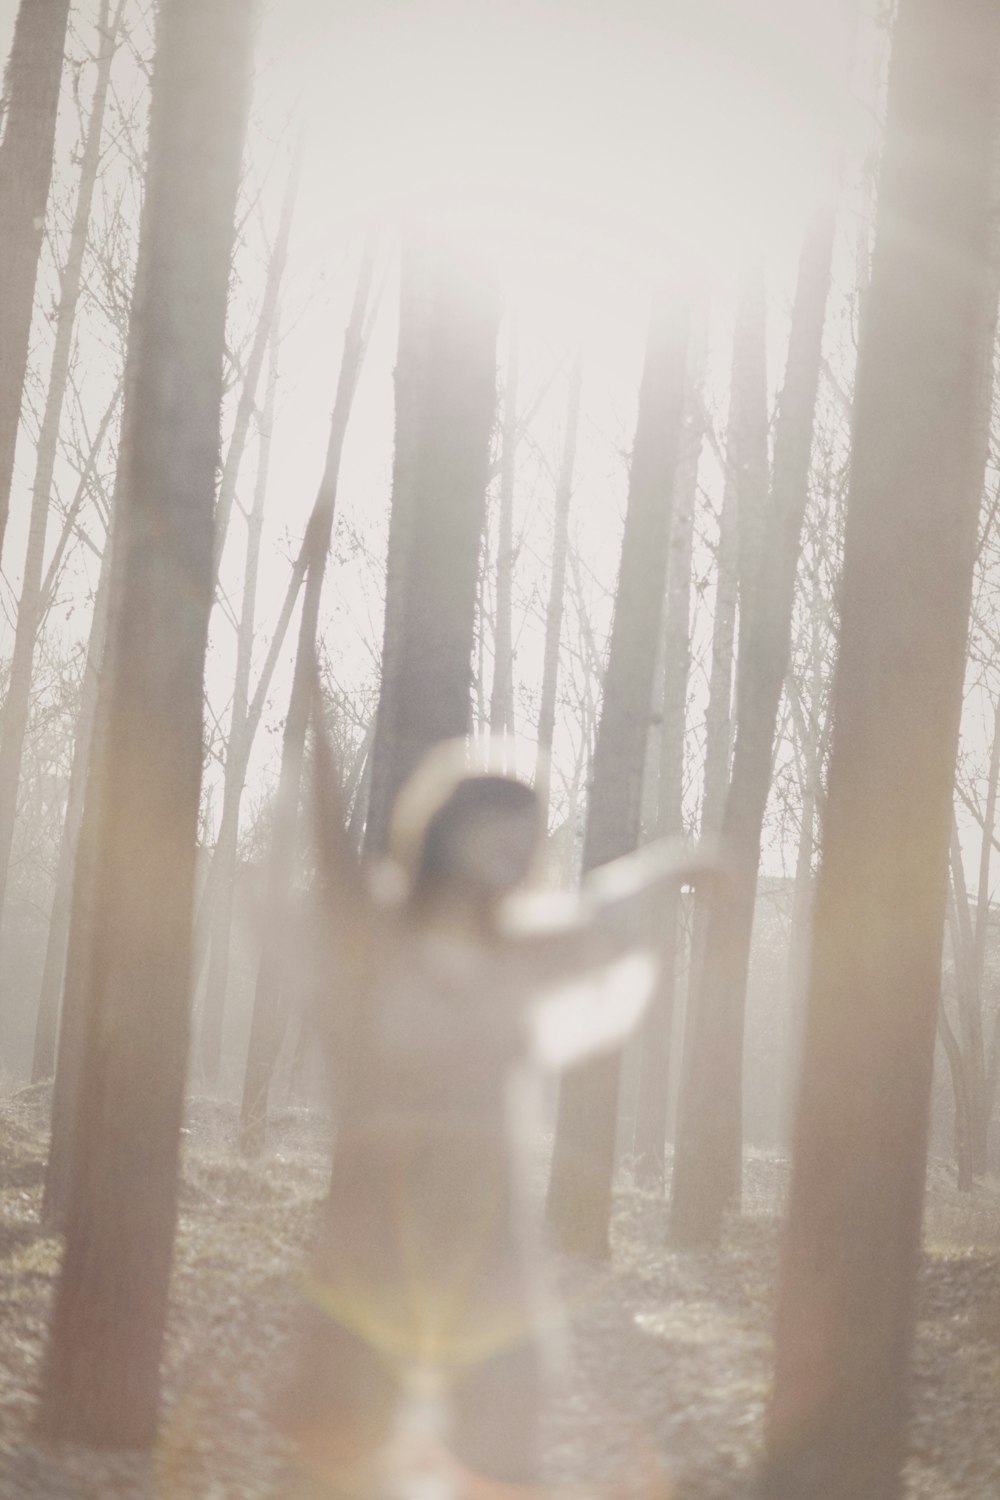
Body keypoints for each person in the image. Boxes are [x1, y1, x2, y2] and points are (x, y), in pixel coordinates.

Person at [283, 733, 715, 1499]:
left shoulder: (523, 948)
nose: (516, 849)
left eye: (529, 831)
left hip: (487, 1228)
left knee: (500, 1441)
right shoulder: (374, 931)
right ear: (448, 831)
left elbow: (605, 916)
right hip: (377, 1223)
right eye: (497, 828)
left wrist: (681, 864)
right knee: (339, 1447)